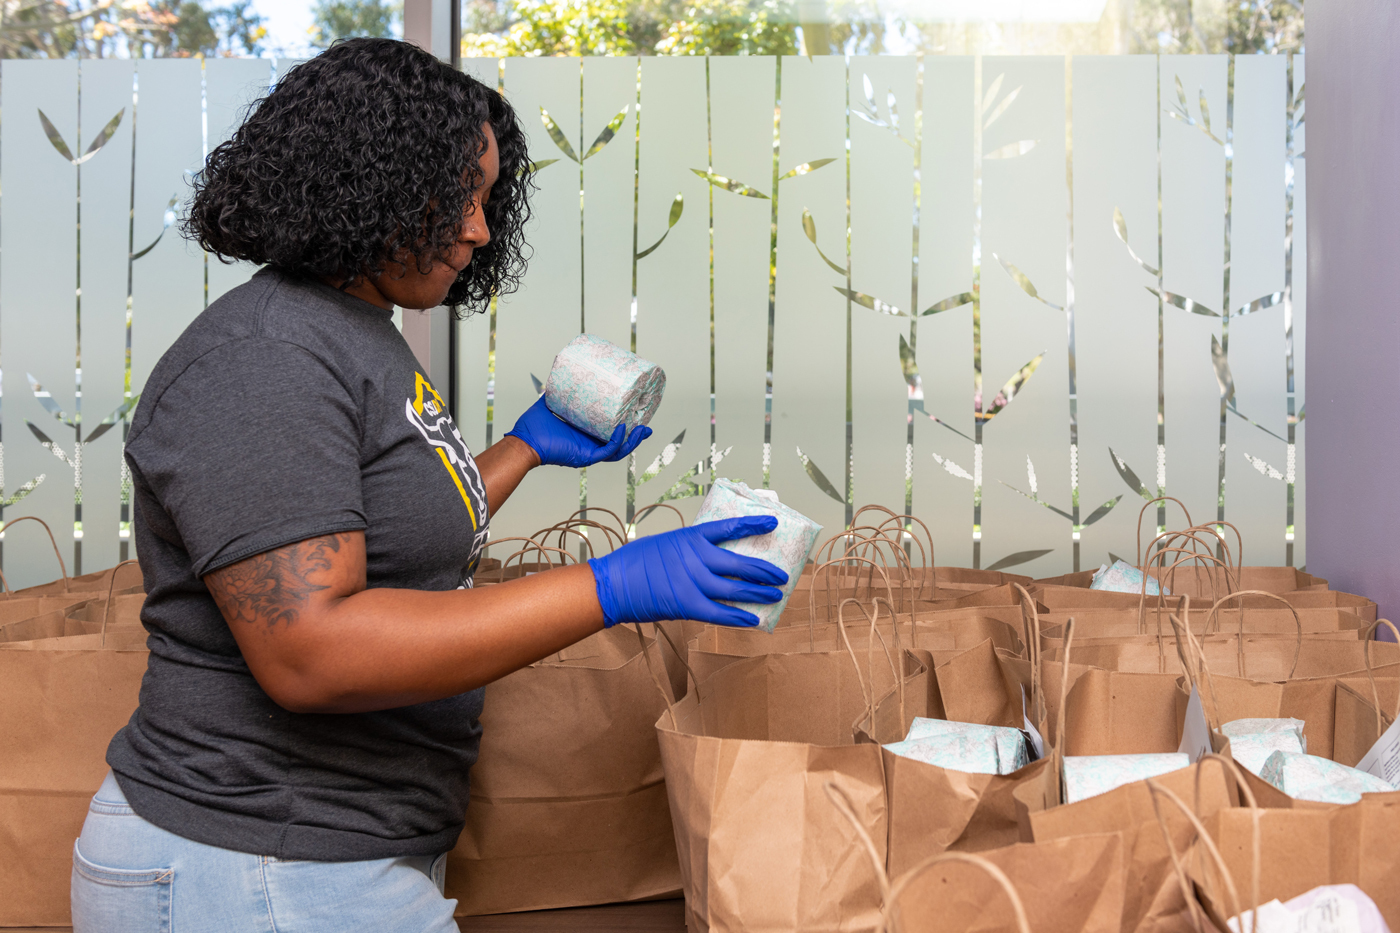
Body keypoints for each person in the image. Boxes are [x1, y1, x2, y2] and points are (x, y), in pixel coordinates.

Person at [70, 38, 786, 933]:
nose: (480, 229)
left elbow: (373, 535)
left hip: (325, 849)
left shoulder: (351, 331)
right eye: (457, 196)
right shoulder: (265, 360)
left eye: (487, 200)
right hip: (253, 860)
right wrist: (613, 584)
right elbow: (312, 649)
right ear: (365, 179)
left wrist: (520, 452)